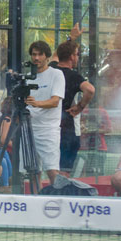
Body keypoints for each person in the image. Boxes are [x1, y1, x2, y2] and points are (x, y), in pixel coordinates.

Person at [50, 40, 95, 176]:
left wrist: (71, 38)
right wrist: (80, 106)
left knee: (50, 166)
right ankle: (61, 194)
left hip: (50, 126)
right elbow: (90, 90)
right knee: (64, 169)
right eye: (77, 54)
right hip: (66, 128)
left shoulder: (50, 70)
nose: (78, 57)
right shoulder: (73, 76)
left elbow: (54, 57)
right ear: (71, 57)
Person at [25, 41, 65, 185]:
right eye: (34, 54)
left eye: (40, 54)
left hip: (49, 130)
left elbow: (55, 101)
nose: (36, 58)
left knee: (52, 171)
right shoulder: (28, 77)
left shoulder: (56, 74)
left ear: (47, 56)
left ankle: (57, 202)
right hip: (29, 129)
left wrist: (36, 103)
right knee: (33, 172)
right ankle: (36, 202)